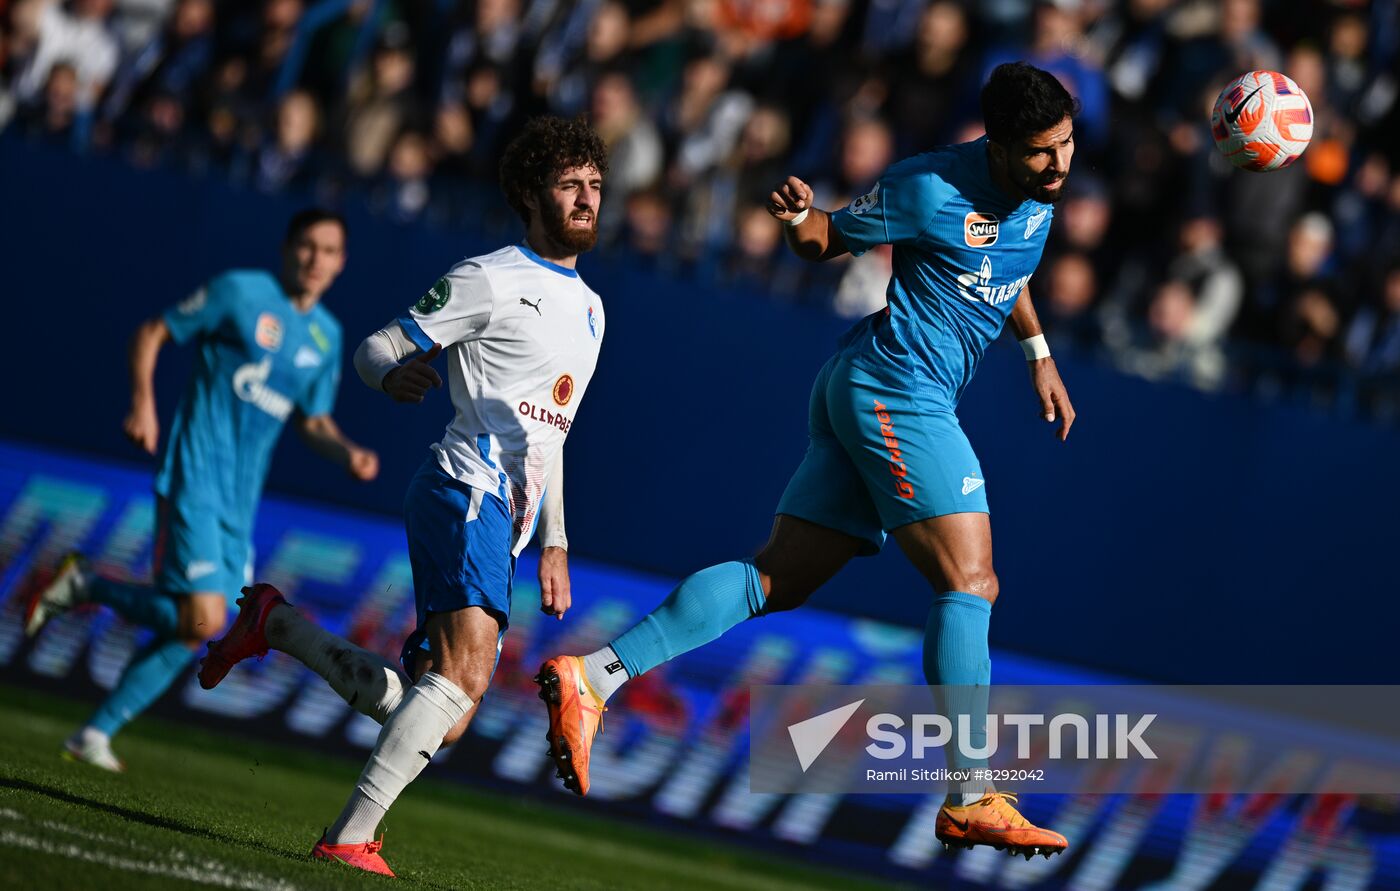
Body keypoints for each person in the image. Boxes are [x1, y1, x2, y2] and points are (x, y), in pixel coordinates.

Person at [535, 61, 1078, 858]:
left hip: (871, 391)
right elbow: (828, 238)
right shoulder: (928, 187)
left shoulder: (1040, 192)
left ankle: (595, 679)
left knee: (775, 579)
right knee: (970, 581)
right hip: (898, 391)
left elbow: (1010, 267)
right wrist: (800, 221)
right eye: (1040, 153)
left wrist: (1036, 351)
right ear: (995, 146)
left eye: (1067, 146)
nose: (1059, 165)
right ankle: (970, 793)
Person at [195, 116, 609, 877]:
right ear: (529, 193)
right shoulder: (491, 277)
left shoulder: (591, 309)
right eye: (568, 184)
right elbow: (376, 346)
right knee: (465, 678)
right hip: (464, 486)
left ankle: (275, 624)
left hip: (506, 518)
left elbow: (553, 435)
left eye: (594, 185)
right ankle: (349, 835)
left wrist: (555, 539)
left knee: (442, 713)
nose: (586, 199)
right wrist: (391, 375)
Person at [24, 209, 378, 771]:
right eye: (307, 246)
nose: (316, 260)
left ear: (341, 264)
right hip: (194, 473)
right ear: (287, 249)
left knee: (197, 627)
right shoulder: (241, 291)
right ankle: (86, 584)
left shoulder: (326, 335)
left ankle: (94, 731)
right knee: (209, 618)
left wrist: (348, 453)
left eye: (329, 251)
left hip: (240, 503)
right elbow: (153, 331)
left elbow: (313, 421)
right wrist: (143, 404)